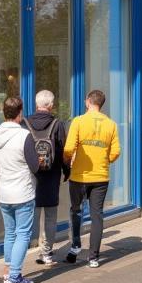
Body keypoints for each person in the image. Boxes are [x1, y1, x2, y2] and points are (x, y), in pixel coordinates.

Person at [64, 89, 121, 268]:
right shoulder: (111, 124)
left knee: (76, 210)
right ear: (101, 104)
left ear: (88, 102)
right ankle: (94, 257)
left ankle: (75, 247)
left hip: (79, 176)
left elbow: (68, 149)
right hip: (101, 176)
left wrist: (68, 163)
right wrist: (105, 161)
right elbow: (116, 152)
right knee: (97, 215)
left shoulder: (79, 121)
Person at [0, 95, 38, 283]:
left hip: (3, 192)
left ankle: (8, 270)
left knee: (10, 233)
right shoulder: (24, 136)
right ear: (20, 113)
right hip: (23, 191)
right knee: (23, 233)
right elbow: (34, 166)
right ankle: (15, 276)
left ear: (3, 112)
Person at [24, 89, 69, 267]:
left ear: (36, 105)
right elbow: (63, 150)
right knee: (50, 216)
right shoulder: (57, 124)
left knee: (29, 214)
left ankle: (24, 247)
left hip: (30, 175)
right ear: (50, 106)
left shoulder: (25, 123)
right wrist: (67, 171)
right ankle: (47, 253)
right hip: (51, 176)